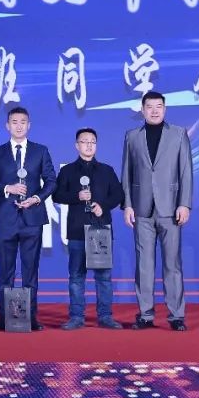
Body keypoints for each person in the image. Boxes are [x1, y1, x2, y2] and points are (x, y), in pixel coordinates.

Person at [121, 91, 194, 331]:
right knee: (144, 264)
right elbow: (127, 173)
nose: (154, 110)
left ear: (165, 109)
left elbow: (186, 171)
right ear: (142, 110)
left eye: (159, 106)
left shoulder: (178, 134)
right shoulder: (132, 136)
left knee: (172, 264)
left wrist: (184, 204)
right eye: (149, 106)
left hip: (171, 209)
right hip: (141, 209)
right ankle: (145, 314)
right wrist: (127, 204)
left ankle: (176, 316)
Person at [0, 107, 56, 331]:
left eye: (23, 122)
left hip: (32, 219)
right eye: (14, 122)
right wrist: (8, 188)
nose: (18, 126)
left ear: (29, 125)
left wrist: (36, 198)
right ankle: (3, 319)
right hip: (6, 219)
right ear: (7, 126)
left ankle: (30, 318)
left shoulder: (40, 151)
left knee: (30, 272)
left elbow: (51, 181)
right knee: (5, 272)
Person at [52, 128, 123, 330]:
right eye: (85, 141)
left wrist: (103, 206)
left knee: (104, 277)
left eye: (92, 141)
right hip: (76, 230)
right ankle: (76, 317)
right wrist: (77, 196)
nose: (89, 145)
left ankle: (105, 316)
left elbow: (118, 194)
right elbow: (57, 195)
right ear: (77, 145)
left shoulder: (107, 170)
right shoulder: (67, 171)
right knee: (76, 276)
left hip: (101, 230)